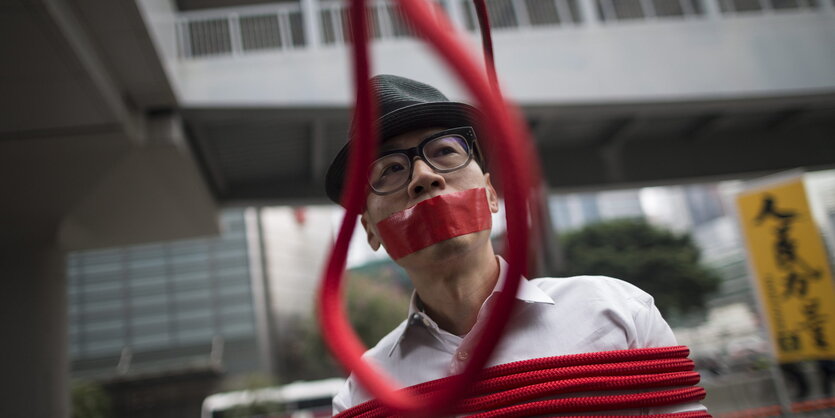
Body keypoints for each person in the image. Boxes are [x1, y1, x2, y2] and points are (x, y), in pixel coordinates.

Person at [326, 74, 704, 414]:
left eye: (444, 152)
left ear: (490, 194)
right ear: (371, 230)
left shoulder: (619, 311)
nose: (424, 177)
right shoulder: (361, 395)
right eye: (390, 169)